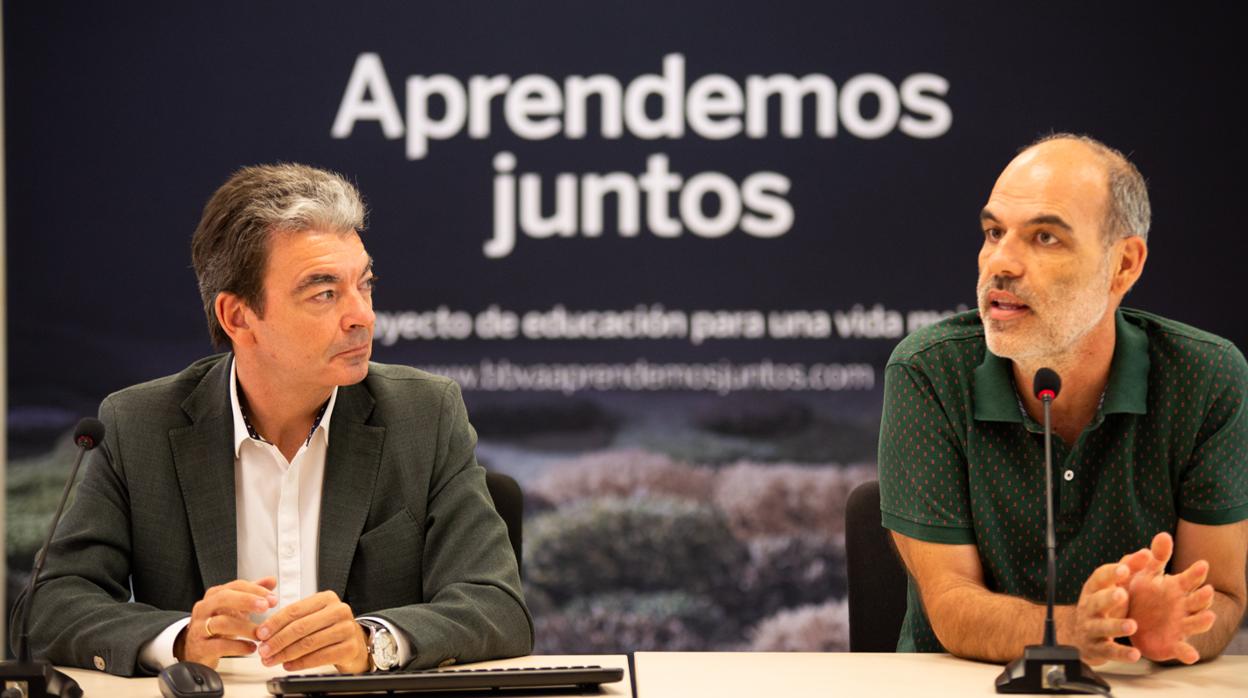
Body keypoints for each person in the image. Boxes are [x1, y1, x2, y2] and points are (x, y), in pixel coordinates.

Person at [10, 163, 533, 676]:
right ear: (238, 317)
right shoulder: (138, 425)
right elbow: (49, 606)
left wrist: (371, 642)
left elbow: (496, 606)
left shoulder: (424, 414)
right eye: (324, 293)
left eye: (364, 284)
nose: (363, 315)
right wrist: (181, 640)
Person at [878, 134, 1247, 665]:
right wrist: (1082, 629)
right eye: (993, 232)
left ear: (1124, 265)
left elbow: (1223, 598)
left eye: (1045, 238)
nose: (1000, 263)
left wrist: (1165, 628)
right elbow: (952, 605)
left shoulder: (1206, 376)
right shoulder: (929, 371)